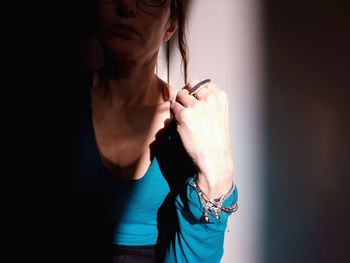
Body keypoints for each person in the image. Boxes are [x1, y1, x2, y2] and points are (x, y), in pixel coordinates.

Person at [65, 0, 238, 262]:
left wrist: (218, 175)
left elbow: (197, 252)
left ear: (171, 24)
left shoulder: (189, 125)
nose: (127, 6)